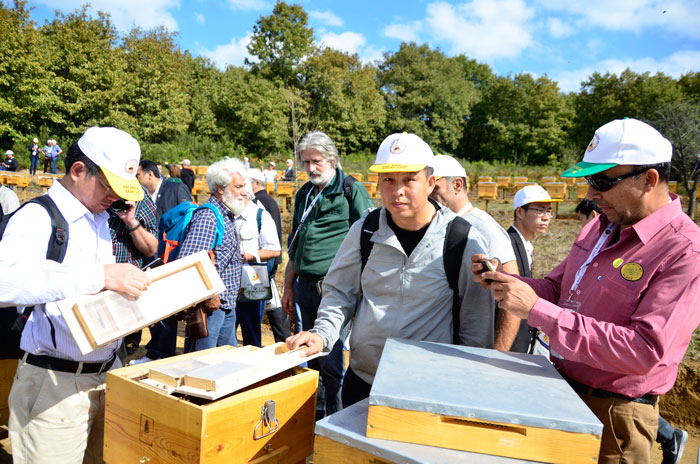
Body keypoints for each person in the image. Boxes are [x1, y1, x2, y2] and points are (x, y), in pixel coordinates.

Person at [472, 118, 700, 464]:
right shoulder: (600, 227)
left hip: (615, 416)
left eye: (603, 181)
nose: (591, 195)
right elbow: (557, 288)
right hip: (559, 392)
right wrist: (506, 282)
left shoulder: (685, 251)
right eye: (589, 181)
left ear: (649, 179)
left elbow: (643, 350)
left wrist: (535, 310)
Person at [287, 132, 494, 410]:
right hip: (363, 380)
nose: (398, 190)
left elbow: (476, 319)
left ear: (430, 183)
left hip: (428, 389)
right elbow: (340, 291)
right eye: (389, 180)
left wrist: (466, 382)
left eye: (409, 179)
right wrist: (322, 333)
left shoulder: (460, 239)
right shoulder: (365, 230)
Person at [0, 126, 151, 463]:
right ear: (79, 170)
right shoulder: (38, 216)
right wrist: (99, 276)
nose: (114, 197)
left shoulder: (99, 218)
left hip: (107, 374)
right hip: (54, 385)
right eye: (108, 186)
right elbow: (4, 281)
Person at [282, 131, 374, 419]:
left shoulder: (351, 191)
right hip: (305, 288)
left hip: (334, 291)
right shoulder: (304, 194)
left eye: (317, 161)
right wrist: (288, 288)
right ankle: (315, 416)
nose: (311, 168)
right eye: (306, 162)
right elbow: (296, 246)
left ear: (332, 160)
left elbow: (371, 240)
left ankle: (336, 420)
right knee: (309, 355)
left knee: (332, 360)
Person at [428, 155, 520, 351]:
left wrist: (497, 354)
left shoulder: (484, 228)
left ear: (457, 186)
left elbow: (512, 292)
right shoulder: (440, 224)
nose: (427, 195)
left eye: (435, 188)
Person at [182, 158, 244, 352]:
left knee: (227, 359)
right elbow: (190, 261)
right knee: (203, 361)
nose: (244, 192)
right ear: (220, 188)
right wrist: (210, 294)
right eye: (238, 187)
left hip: (226, 304)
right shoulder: (208, 216)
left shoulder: (227, 215)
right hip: (211, 307)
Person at [133, 159, 192, 362]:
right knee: (152, 307)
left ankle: (163, 353)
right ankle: (156, 351)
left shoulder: (175, 189)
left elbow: (188, 218)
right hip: (147, 258)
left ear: (150, 174)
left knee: (167, 308)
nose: (136, 179)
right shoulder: (140, 195)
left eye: (138, 175)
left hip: (170, 257)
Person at [500, 184, 561, 354]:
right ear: (520, 212)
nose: (546, 217)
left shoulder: (525, 246)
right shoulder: (508, 244)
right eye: (540, 210)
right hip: (510, 344)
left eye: (549, 211)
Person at [233, 178, 281, 347]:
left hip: (252, 282)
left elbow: (275, 250)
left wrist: (249, 256)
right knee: (227, 332)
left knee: (251, 333)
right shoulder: (227, 214)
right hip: (229, 283)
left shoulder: (261, 216)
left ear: (244, 194)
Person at [249, 168, 289, 342]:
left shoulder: (260, 202)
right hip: (269, 260)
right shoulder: (269, 201)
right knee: (270, 304)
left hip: (265, 262)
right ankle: (283, 340)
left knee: (268, 305)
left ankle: (283, 340)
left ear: (257, 183)